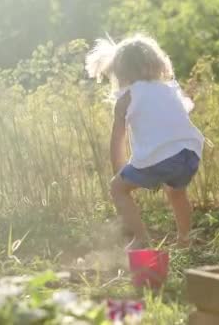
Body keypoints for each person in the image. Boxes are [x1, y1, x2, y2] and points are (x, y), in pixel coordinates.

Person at [85, 34, 205, 249]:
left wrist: (119, 172)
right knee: (177, 193)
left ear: (120, 71)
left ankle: (140, 238)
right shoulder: (170, 89)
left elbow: (118, 138)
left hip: (161, 157)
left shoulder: (127, 98)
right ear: (157, 62)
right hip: (190, 153)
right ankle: (185, 239)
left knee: (118, 189)